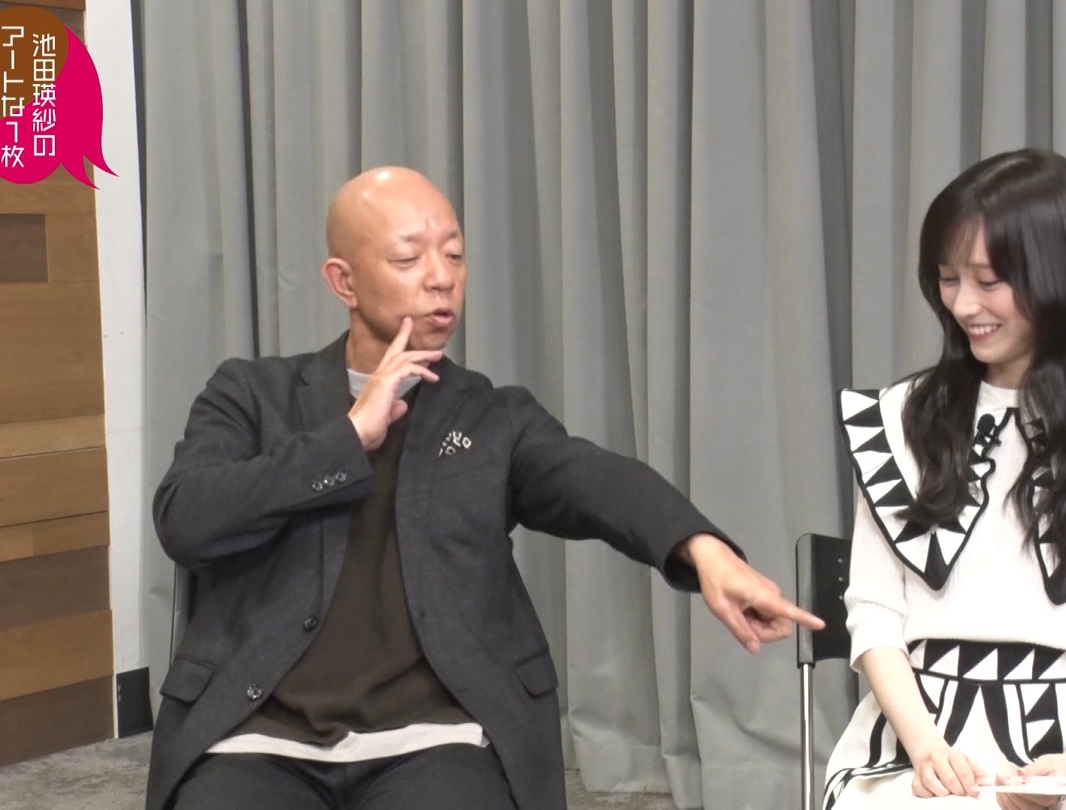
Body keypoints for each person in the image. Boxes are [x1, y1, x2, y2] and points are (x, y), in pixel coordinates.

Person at [146, 166, 823, 810]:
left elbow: (591, 478)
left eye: (455, 255)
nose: (441, 278)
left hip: (433, 738)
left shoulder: (489, 416)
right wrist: (348, 438)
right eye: (408, 258)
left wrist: (702, 549)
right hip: (261, 735)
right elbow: (187, 518)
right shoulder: (252, 394)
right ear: (343, 281)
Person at [822, 149, 1066, 810]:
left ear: (1063, 277)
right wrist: (926, 749)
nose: (964, 305)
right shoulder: (896, 421)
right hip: (915, 739)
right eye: (948, 278)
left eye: (989, 281)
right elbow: (873, 614)